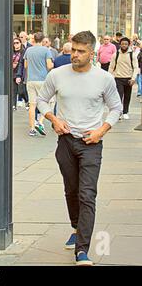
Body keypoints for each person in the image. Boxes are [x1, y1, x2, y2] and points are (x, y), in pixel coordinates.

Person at [37, 31, 122, 266]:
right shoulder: (57, 74)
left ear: (92, 53)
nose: (75, 54)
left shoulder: (103, 79)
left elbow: (115, 108)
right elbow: (43, 100)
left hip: (91, 143)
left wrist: (101, 131)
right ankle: (76, 227)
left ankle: (82, 249)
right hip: (65, 141)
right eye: (73, 49)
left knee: (87, 194)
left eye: (81, 51)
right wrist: (53, 120)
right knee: (71, 190)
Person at [24, 32, 54, 136]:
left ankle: (32, 128)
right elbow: (49, 66)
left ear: (34, 40)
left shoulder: (28, 50)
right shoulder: (46, 50)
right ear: (42, 40)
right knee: (48, 102)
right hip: (43, 80)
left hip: (31, 80)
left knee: (32, 105)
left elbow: (25, 65)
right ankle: (40, 122)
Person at [108, 37, 139, 120]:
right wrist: (109, 77)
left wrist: (133, 79)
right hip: (118, 78)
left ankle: (125, 112)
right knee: (119, 96)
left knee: (127, 96)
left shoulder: (132, 54)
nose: (124, 45)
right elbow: (111, 67)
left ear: (128, 45)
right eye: (122, 44)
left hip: (129, 79)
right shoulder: (116, 54)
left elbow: (136, 68)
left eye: (126, 44)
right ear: (120, 44)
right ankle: (119, 113)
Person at [12, 37, 25, 109]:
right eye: (14, 43)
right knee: (14, 90)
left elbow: (22, 64)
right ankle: (13, 105)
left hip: (20, 73)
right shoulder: (11, 52)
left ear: (20, 43)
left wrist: (19, 75)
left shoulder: (23, 52)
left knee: (21, 91)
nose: (15, 44)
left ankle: (26, 101)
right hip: (12, 73)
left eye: (17, 43)